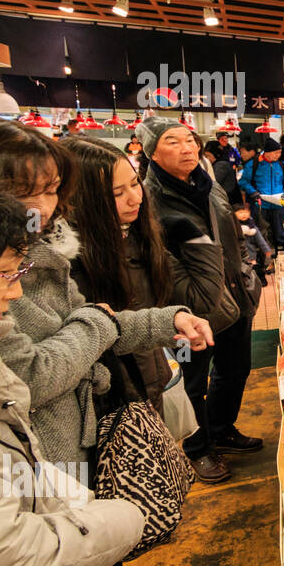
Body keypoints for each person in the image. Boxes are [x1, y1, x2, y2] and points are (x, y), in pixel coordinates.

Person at [0, 119, 210, 472]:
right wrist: (95, 322)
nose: (44, 208)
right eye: (26, 192)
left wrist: (171, 318)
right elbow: (27, 376)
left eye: (52, 189)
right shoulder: (8, 271)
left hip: (97, 429)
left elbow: (104, 321)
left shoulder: (50, 251)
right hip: (50, 460)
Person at [0, 188, 146, 566]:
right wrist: (121, 517)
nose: (13, 290)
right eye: (3, 274)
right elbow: (5, 560)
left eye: (56, 188)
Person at [138, 118, 262, 484]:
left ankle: (222, 428)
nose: (187, 148)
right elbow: (159, 263)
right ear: (152, 152)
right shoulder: (148, 197)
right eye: (173, 142)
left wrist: (245, 270)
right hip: (188, 308)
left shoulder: (208, 185)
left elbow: (232, 233)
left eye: (189, 139)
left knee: (235, 369)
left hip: (233, 294)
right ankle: (197, 449)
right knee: (192, 381)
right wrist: (186, 305)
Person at [65, 138, 184, 414]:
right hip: (108, 401)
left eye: (134, 183)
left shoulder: (136, 234)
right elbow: (103, 329)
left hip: (149, 382)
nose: (136, 197)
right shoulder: (71, 259)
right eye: (117, 193)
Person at [239, 138, 284, 253]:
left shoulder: (282, 165)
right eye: (276, 153)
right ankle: (263, 259)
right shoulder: (253, 164)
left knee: (279, 233)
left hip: (278, 205)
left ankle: (280, 254)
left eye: (279, 152)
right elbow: (243, 182)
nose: (278, 155)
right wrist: (253, 192)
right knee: (261, 233)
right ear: (267, 152)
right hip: (260, 206)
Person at [203, 139, 241, 207]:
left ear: (216, 155)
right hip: (227, 199)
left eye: (208, 156)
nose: (207, 159)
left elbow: (214, 181)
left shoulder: (221, 165)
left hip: (227, 201)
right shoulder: (221, 163)